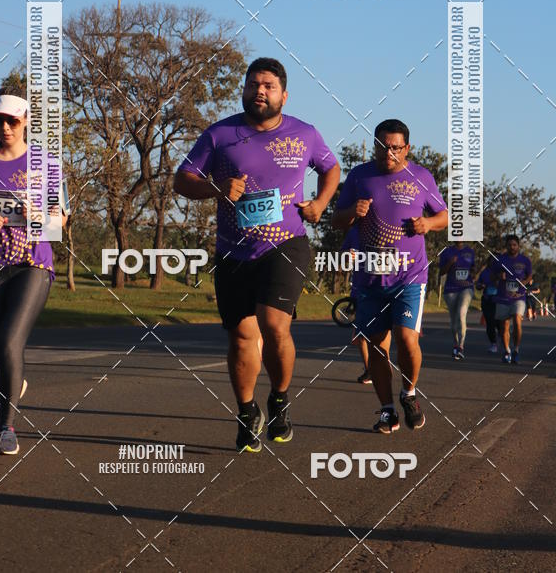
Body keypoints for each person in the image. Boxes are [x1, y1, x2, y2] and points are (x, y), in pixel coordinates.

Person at [173, 58, 340, 452]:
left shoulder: (305, 134)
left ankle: (279, 399)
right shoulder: (220, 134)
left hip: (287, 244)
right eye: (252, 85)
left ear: (284, 94)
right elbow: (183, 179)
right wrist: (217, 189)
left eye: (268, 85)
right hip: (234, 252)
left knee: (274, 325)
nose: (259, 91)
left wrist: (320, 203)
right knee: (242, 337)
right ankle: (247, 411)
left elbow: (331, 169)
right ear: (244, 91)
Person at [0, 87, 66, 455]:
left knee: (9, 343)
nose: (4, 127)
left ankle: (6, 426)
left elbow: (59, 221)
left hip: (32, 264)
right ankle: (10, 389)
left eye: (12, 121)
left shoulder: (46, 164)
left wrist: (41, 219)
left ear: (25, 122)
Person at [331, 119, 448, 434]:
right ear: (375, 146)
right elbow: (336, 221)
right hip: (370, 279)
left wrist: (428, 224)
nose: (390, 153)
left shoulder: (421, 176)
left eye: (396, 148)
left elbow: (444, 215)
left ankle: (409, 394)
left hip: (410, 275)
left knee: (406, 338)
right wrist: (352, 212)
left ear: (407, 148)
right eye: (384, 147)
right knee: (377, 347)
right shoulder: (359, 176)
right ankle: (387, 411)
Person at [489, 235, 532, 364]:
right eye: (509, 245)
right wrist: (498, 276)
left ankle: (516, 350)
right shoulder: (500, 260)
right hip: (503, 297)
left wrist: (524, 281)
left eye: (514, 245)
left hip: (519, 297)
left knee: (517, 320)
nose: (512, 247)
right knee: (504, 327)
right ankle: (507, 350)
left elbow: (530, 275)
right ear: (506, 246)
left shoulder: (525, 260)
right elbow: (491, 276)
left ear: (518, 246)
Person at [438, 242, 475, 360]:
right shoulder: (446, 251)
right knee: (454, 319)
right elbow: (441, 272)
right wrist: (450, 262)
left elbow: (474, 269)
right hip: (451, 289)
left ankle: (461, 346)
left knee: (461, 313)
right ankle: (455, 343)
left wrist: (473, 276)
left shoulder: (470, 251)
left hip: (466, 288)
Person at [476, 265, 499, 352]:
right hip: (487, 300)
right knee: (490, 323)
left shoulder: (504, 271)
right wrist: (481, 286)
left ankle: (504, 341)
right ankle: (493, 343)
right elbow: (477, 286)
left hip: (500, 300)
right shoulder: (484, 272)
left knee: (500, 323)